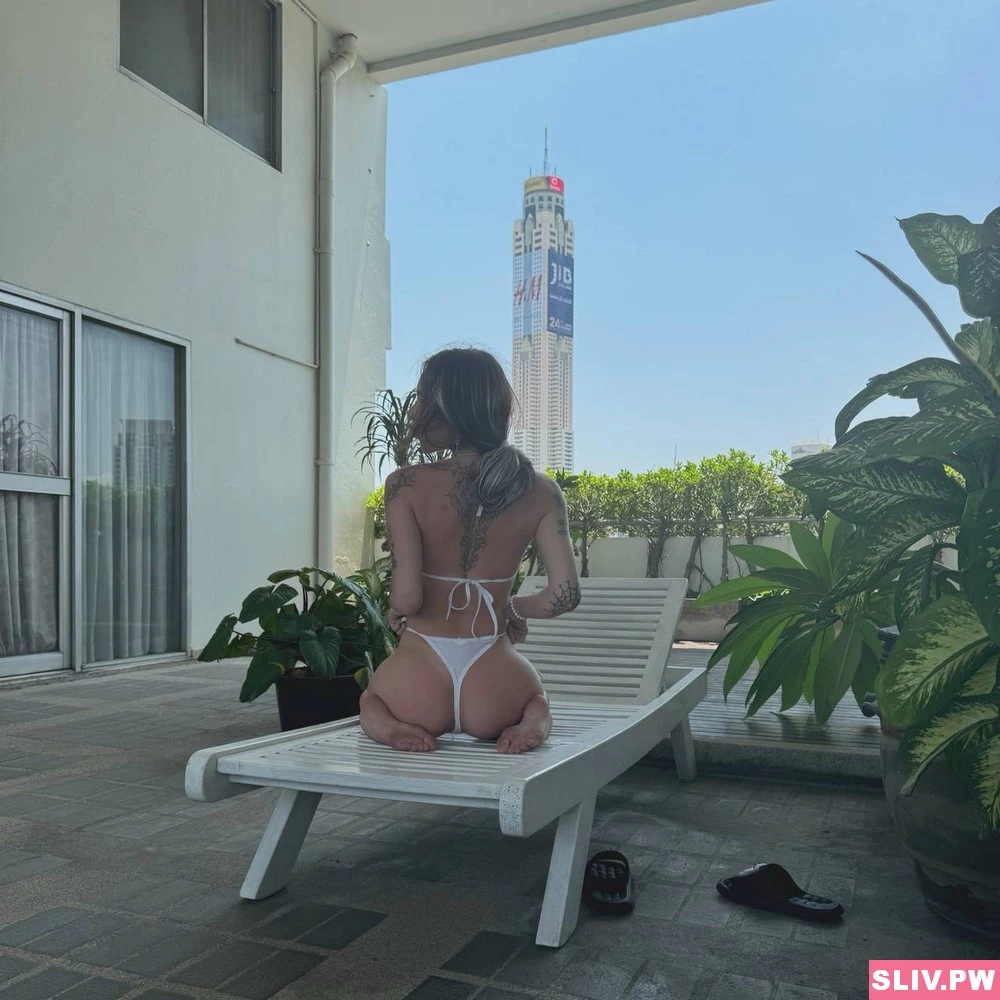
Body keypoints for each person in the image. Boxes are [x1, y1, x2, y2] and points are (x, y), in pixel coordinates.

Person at [359, 347, 581, 754]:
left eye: (422, 399)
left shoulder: (404, 484)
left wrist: (395, 611)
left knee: (370, 702)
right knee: (536, 698)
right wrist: (513, 609)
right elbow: (564, 595)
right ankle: (535, 719)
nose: (414, 413)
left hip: (419, 678)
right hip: (495, 680)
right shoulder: (542, 491)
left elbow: (407, 599)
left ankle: (390, 728)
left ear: (451, 410)